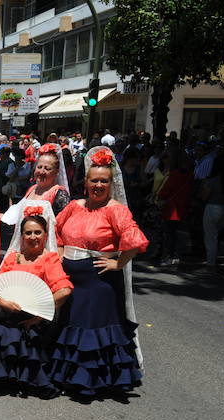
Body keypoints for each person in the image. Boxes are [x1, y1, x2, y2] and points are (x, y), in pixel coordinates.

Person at [51, 147, 148, 397]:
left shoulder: (116, 209)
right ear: (86, 182)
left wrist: (118, 263)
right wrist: (61, 253)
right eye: (94, 180)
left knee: (91, 330)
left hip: (98, 281)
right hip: (71, 278)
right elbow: (57, 230)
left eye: (104, 181)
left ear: (111, 183)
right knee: (71, 326)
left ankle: (91, 381)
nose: (98, 185)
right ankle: (69, 376)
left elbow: (134, 239)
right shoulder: (74, 206)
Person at [0, 205, 72, 398]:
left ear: (45, 234)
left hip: (34, 321)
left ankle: (21, 378)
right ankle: (2, 378)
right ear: (21, 235)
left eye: (37, 232)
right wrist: (2, 302)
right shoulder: (13, 258)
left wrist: (39, 315)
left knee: (19, 337)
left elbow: (64, 291)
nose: (33, 237)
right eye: (28, 232)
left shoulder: (49, 259)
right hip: (9, 315)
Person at [1, 143, 70, 226]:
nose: (41, 171)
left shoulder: (59, 193)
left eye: (47, 168)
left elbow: (60, 223)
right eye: (39, 167)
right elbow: (18, 211)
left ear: (56, 172)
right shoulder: (33, 188)